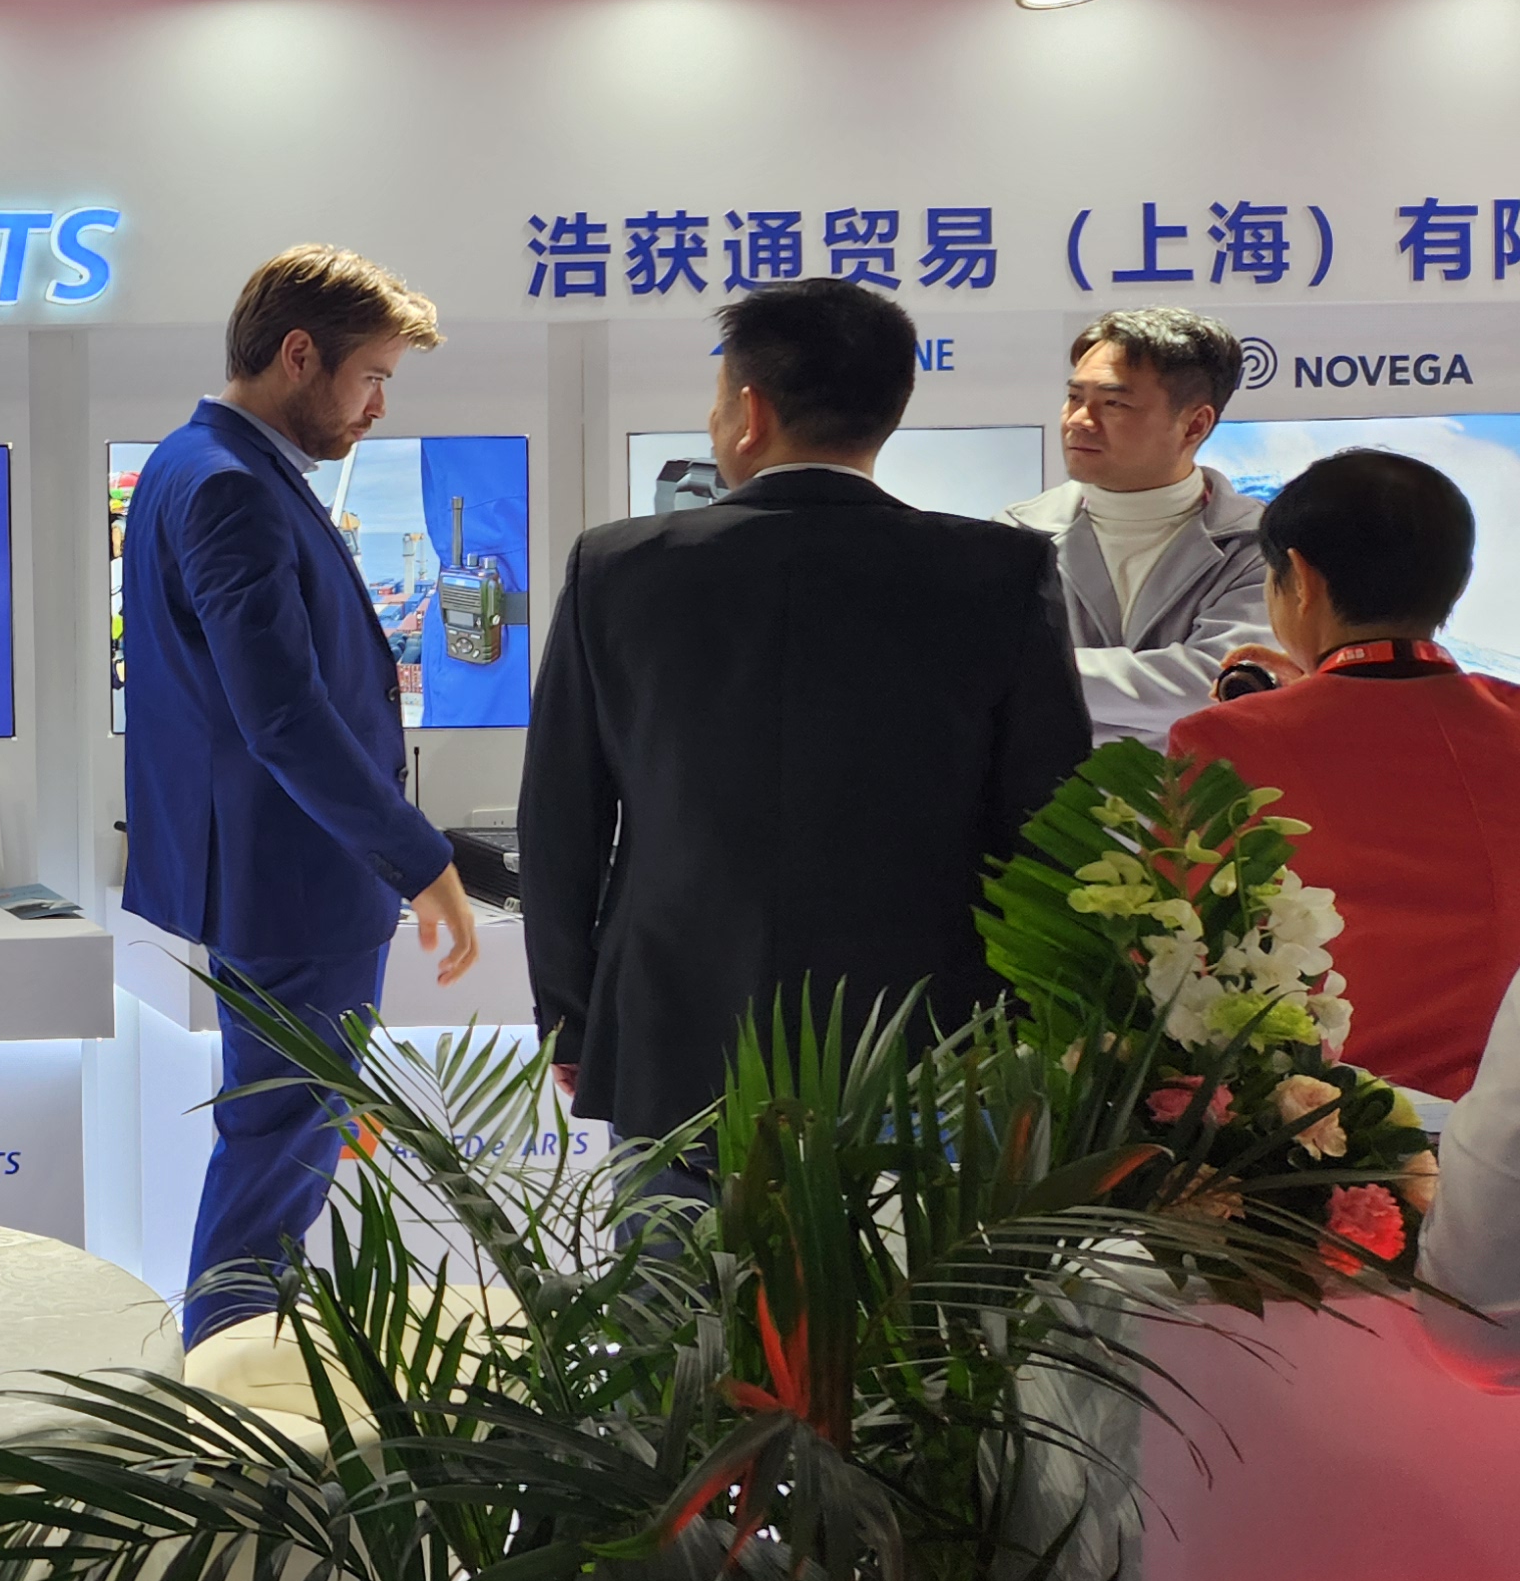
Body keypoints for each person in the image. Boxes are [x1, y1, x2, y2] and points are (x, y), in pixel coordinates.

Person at [520, 279, 1091, 1145]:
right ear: (890, 408)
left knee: (678, 1235)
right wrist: (1043, 1017)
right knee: (918, 1238)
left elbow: (562, 814)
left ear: (749, 412)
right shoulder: (999, 571)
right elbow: (1048, 814)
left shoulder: (619, 567)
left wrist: (569, 1014)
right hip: (931, 1034)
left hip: (677, 1027)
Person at [119, 246, 481, 1336]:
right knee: (278, 1156)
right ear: (296, 355)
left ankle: (227, 1365)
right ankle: (225, 1381)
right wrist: (417, 858)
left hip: (277, 872)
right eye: (372, 376)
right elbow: (280, 713)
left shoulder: (194, 463)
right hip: (296, 880)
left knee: (278, 1148)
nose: (377, 407)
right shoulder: (230, 485)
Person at [1170, 451, 1520, 1101]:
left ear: (1300, 579)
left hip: (1321, 1128)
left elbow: (1181, 955)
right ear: (1458, 581)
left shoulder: (1222, 741)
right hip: (1504, 1122)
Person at [999, 308, 1268, 744]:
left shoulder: (1262, 545)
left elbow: (1221, 685)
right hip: (1052, 791)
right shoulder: (1012, 536)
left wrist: (1031, 676)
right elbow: (981, 688)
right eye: (1074, 397)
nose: (1078, 420)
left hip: (1205, 790)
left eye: (1114, 403)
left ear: (1194, 425)